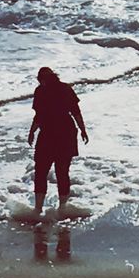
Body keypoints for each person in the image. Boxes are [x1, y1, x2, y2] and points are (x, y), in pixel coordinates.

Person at [27, 66, 88, 216]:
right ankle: (61, 208)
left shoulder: (42, 91)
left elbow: (39, 116)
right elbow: (75, 112)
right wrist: (82, 129)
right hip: (64, 133)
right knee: (61, 172)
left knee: (42, 171)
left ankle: (40, 209)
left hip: (52, 134)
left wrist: (32, 131)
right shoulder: (64, 89)